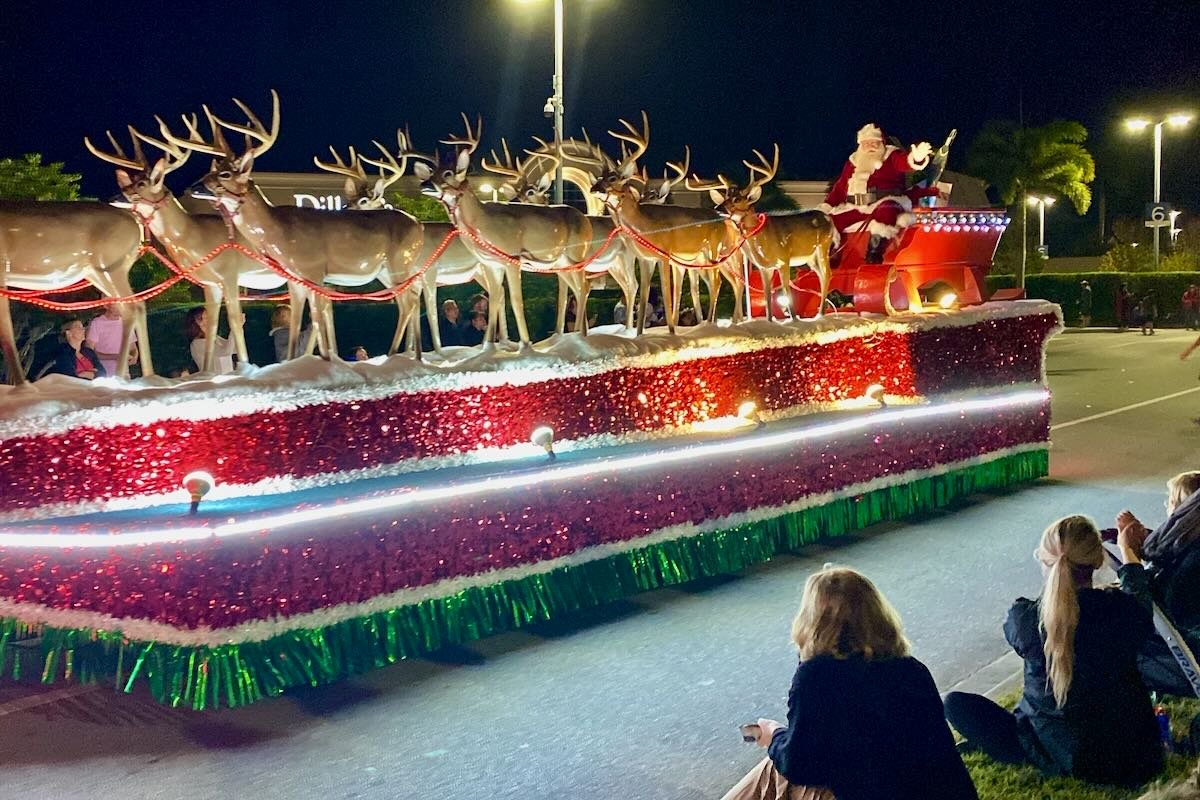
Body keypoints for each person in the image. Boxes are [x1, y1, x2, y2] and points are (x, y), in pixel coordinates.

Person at [944, 515, 1163, 788]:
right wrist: (1127, 550)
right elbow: (1138, 595)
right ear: (1096, 561)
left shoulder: (1025, 619)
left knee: (955, 704)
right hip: (1138, 755)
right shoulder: (1123, 611)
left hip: (1058, 753)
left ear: (1047, 563)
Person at [723, 566, 977, 800]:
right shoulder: (911, 669)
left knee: (775, 768)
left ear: (812, 621)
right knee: (777, 763)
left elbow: (799, 764)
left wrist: (773, 734)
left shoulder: (817, 676)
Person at [1116, 471, 1200, 697]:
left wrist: (1129, 554)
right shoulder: (1188, 547)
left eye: (1172, 502)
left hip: (1181, 653)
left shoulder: (1191, 562)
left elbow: (1143, 611)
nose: (1168, 508)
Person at [816, 124, 938, 264]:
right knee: (828, 221)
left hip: (885, 203)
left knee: (887, 209)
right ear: (860, 145)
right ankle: (829, 258)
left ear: (882, 143)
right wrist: (824, 208)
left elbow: (904, 163)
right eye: (866, 143)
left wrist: (916, 158)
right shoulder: (852, 164)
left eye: (874, 142)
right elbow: (839, 190)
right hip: (856, 207)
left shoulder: (891, 156)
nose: (870, 146)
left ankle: (874, 253)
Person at [84, 304, 137, 376]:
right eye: (117, 303)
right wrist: (116, 356)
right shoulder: (97, 323)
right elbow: (89, 352)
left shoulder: (127, 323)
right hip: (104, 374)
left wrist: (134, 357)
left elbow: (133, 348)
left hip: (124, 374)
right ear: (106, 305)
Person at [185, 306, 237, 375]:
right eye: (201, 319)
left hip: (228, 380)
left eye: (207, 317)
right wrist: (234, 328)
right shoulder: (197, 343)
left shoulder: (215, 338)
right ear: (194, 323)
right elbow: (226, 352)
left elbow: (234, 349)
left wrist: (238, 327)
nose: (206, 322)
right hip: (213, 382)